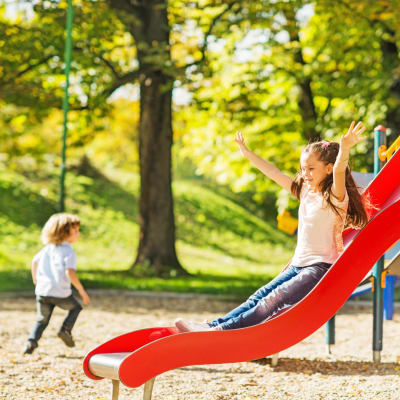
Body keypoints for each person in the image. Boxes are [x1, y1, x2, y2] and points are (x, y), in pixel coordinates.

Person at [175, 121, 369, 333]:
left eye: (311, 169)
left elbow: (341, 169)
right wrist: (247, 153)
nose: (305, 173)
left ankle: (221, 331)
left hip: (319, 268)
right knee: (259, 296)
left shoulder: (335, 196)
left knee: (273, 300)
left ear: (328, 169)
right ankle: (211, 325)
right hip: (298, 265)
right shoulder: (305, 191)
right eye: (303, 168)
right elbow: (274, 172)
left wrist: (345, 149)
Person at [23, 213, 90, 354]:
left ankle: (31, 343)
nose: (78, 233)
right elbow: (70, 273)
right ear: (64, 233)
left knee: (42, 320)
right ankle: (65, 330)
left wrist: (36, 279)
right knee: (76, 308)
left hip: (43, 292)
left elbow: (34, 262)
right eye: (76, 231)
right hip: (60, 293)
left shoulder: (47, 249)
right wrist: (81, 290)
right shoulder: (69, 252)